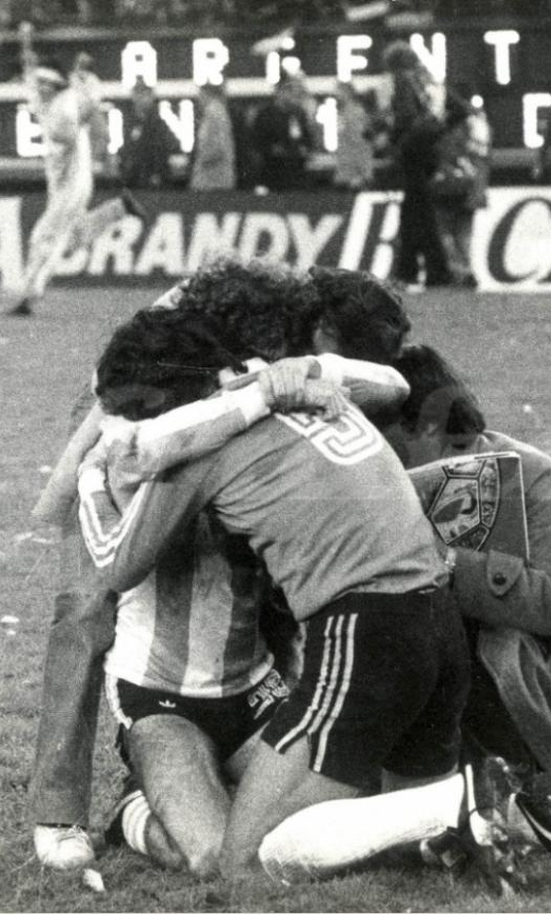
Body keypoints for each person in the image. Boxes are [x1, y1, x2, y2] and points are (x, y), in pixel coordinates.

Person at [24, 260, 413, 871]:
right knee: (88, 601)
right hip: (124, 416)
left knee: (253, 554)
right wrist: (90, 472)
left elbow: (387, 384)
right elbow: (127, 408)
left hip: (243, 668)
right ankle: (63, 809)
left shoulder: (280, 338)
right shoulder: (173, 338)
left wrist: (306, 375)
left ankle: (249, 746)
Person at [77, 307, 474, 880]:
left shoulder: (198, 442)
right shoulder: (304, 391)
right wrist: (305, 370)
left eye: (139, 407)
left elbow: (118, 562)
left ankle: (466, 800)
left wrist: (90, 472)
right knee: (409, 845)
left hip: (362, 630)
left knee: (242, 863)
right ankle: (471, 812)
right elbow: (395, 384)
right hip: (437, 618)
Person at [254, 345, 551, 886]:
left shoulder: (527, 474)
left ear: (426, 427)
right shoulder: (354, 481)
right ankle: (494, 814)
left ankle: (495, 800)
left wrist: (440, 562)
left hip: (511, 689)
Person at [9, 28, 141, 316]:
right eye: (40, 83)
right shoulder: (42, 97)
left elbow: (75, 125)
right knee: (72, 238)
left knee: (43, 237)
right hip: (61, 183)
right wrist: (25, 40)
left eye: (47, 84)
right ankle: (118, 209)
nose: (41, 87)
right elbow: (30, 70)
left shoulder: (64, 105)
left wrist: (82, 136)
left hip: (73, 183)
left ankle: (30, 295)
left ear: (57, 86)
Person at [385, 40, 451, 290]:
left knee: (417, 216)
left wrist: (396, 143)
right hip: (426, 157)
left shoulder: (403, 82)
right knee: (417, 215)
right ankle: (419, 270)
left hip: (413, 158)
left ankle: (422, 271)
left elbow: (406, 118)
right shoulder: (423, 84)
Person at [430, 91, 489, 287]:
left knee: (445, 232)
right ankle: (467, 269)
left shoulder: (447, 135)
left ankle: (459, 271)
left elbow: (442, 158)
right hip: (471, 189)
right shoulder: (479, 131)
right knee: (464, 233)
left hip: (449, 189)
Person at [250, 72, 314, 192]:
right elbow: (257, 142)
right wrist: (272, 149)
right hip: (273, 172)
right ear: (278, 92)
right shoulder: (265, 114)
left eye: (291, 90)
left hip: (296, 171)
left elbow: (307, 139)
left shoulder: (298, 113)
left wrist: (304, 149)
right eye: (287, 90)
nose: (290, 94)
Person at [119, 80, 175, 190]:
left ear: (151, 98)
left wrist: (157, 173)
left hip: (153, 178)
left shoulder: (158, 123)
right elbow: (127, 148)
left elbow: (163, 150)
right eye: (138, 94)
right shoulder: (129, 122)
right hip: (132, 179)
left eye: (144, 95)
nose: (141, 99)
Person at [188, 81, 236, 191]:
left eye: (200, 95)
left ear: (207, 94)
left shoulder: (214, 113)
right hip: (216, 179)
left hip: (213, 180)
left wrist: (201, 161)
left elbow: (217, 147)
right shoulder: (217, 112)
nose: (199, 100)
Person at [333, 80, 376, 191]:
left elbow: (360, 141)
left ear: (347, 93)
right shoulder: (343, 112)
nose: (336, 95)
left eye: (338, 92)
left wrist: (359, 173)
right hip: (345, 168)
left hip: (354, 172)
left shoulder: (355, 112)